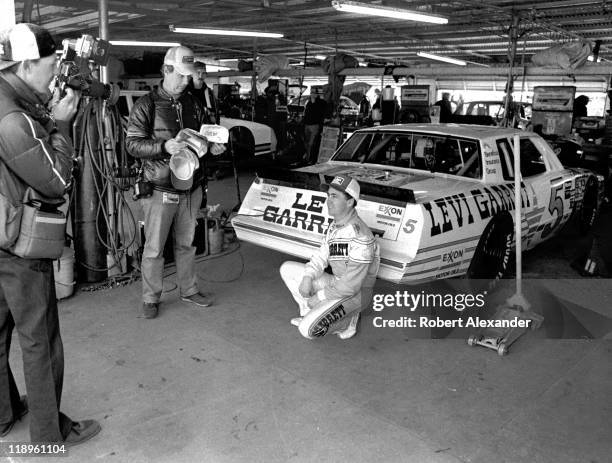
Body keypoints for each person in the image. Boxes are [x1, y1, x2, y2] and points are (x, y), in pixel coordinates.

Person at [0, 23, 100, 445]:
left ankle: (5, 413)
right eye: (48, 64)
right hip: (18, 245)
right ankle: (46, 433)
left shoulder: (11, 101)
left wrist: (43, 109)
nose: (54, 72)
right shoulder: (12, 119)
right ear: (25, 64)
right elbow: (57, 180)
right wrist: (60, 125)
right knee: (39, 340)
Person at [126, 46, 224, 319]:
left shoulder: (193, 102)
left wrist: (212, 146)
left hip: (190, 186)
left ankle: (189, 289)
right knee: (155, 247)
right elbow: (132, 144)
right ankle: (150, 297)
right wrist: (163, 146)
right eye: (180, 76)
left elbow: (203, 134)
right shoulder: (145, 105)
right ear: (166, 70)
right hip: (159, 188)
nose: (185, 82)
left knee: (187, 243)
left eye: (188, 77)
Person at [280, 175, 380, 340]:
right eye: (328, 195)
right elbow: (321, 256)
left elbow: (350, 286)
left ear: (349, 202)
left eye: (335, 196)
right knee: (287, 269)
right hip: (337, 282)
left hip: (356, 294)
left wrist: (319, 296)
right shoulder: (336, 225)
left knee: (309, 331)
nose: (328, 201)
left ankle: (348, 321)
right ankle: (309, 312)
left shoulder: (361, 236)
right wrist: (307, 277)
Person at [302, 93, 327, 164]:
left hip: (312, 125)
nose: (312, 95)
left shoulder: (317, 103)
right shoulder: (311, 103)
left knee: (310, 143)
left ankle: (309, 158)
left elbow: (315, 113)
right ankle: (308, 157)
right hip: (311, 124)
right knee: (309, 143)